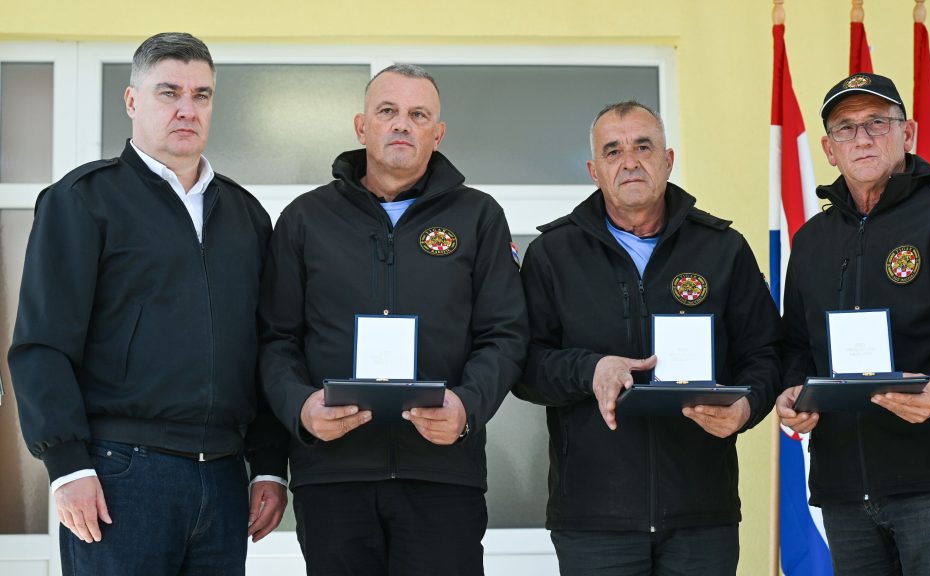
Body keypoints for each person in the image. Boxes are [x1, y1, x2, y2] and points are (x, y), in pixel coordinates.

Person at [8, 32, 288, 575]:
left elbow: (265, 346)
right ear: (132, 100)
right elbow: (42, 345)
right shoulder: (83, 201)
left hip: (224, 475)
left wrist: (269, 465)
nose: (187, 108)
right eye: (169, 92)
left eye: (201, 95)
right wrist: (67, 465)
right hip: (121, 473)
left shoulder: (246, 215)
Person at [258, 64, 528, 576]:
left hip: (441, 474)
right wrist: (301, 409)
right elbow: (276, 339)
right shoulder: (305, 219)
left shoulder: (478, 217)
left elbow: (505, 334)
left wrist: (467, 407)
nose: (402, 124)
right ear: (362, 127)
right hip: (333, 476)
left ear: (437, 133)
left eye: (418, 114)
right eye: (388, 111)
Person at [512, 100, 781, 576]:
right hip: (594, 517)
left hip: (702, 514)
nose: (630, 161)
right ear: (594, 171)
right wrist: (591, 370)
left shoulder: (722, 248)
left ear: (668, 160)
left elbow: (765, 353)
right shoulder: (553, 254)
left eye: (643, 147)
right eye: (613, 151)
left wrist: (746, 408)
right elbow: (525, 367)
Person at [776, 72, 930, 575]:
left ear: (907, 133)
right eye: (845, 128)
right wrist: (792, 392)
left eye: (876, 123)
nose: (862, 138)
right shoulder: (810, 240)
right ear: (828, 149)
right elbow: (796, 346)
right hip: (844, 489)